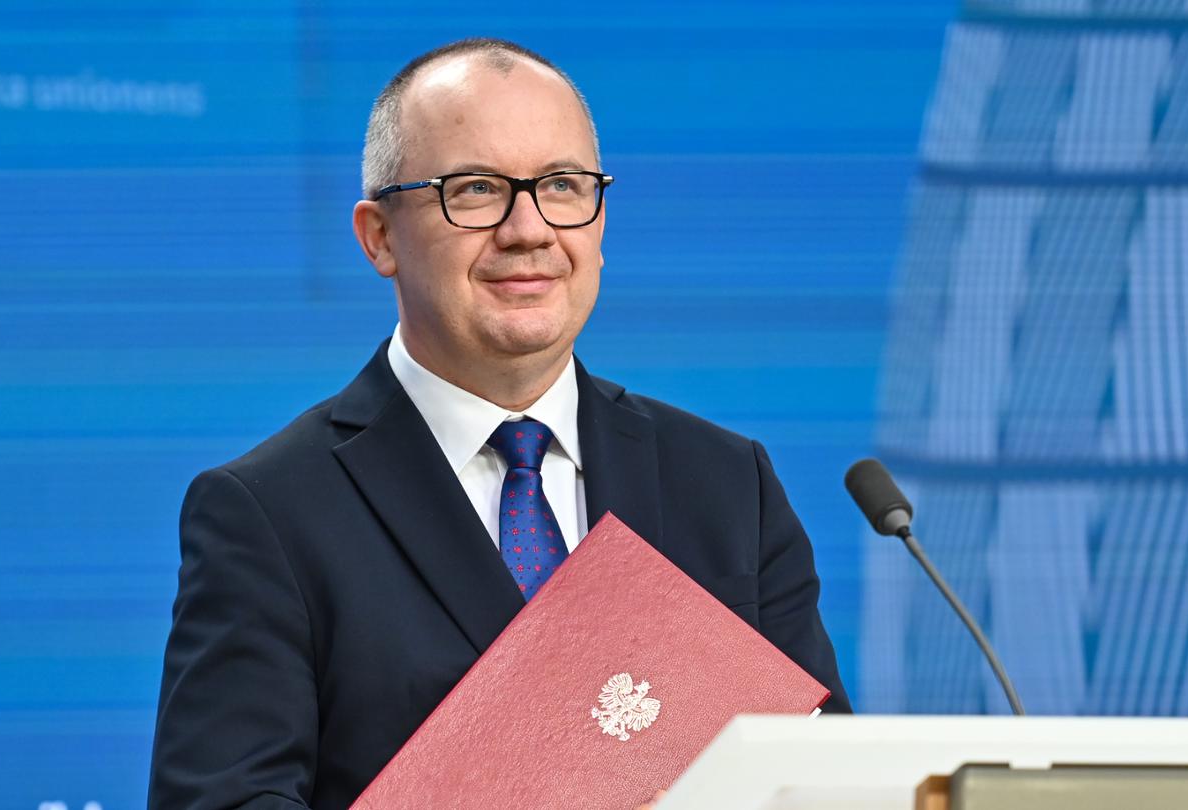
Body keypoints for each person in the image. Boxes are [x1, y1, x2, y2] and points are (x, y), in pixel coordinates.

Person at [148, 38, 850, 810]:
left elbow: (826, 782)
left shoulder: (725, 483)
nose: (529, 229)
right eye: (476, 189)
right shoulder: (269, 512)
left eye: (562, 185)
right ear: (379, 235)